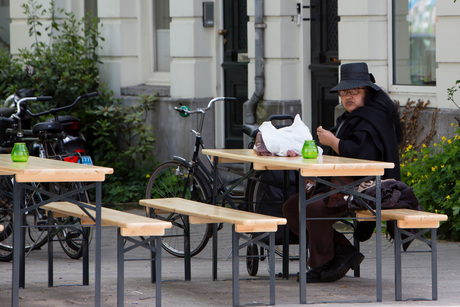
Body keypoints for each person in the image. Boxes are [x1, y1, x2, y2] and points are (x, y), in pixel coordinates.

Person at [282, 62, 403, 283]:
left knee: (313, 209)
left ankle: (322, 265)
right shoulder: (353, 117)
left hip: (368, 190)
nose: (348, 97)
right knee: (292, 206)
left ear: (367, 92)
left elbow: (362, 155)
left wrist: (333, 140)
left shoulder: (374, 118)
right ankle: (342, 253)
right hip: (342, 184)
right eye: (344, 93)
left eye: (354, 92)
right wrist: (302, 152)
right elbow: (336, 155)